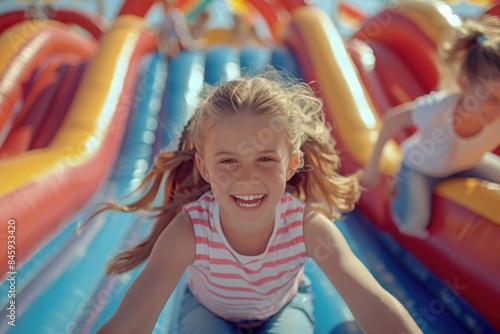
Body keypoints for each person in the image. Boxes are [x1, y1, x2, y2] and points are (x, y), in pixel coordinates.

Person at [89, 70, 421, 333]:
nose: (247, 178)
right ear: (203, 166)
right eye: (228, 161)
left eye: (265, 159)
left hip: (282, 310)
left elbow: (372, 304)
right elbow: (131, 322)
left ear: (291, 164)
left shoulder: (307, 228)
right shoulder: (191, 232)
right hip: (208, 311)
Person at [362, 15, 500, 238]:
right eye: (491, 98)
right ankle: (399, 193)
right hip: (422, 167)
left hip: (466, 163)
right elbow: (392, 119)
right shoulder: (440, 109)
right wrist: (373, 166)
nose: (497, 109)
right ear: (464, 84)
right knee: (415, 221)